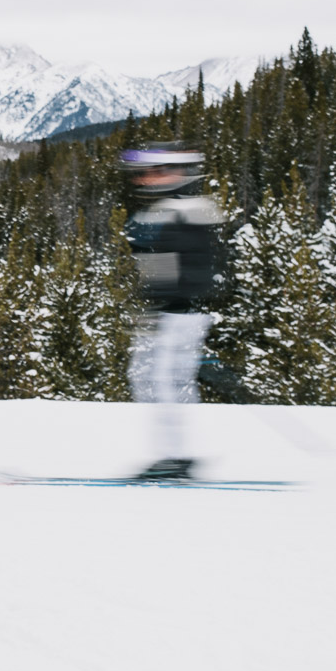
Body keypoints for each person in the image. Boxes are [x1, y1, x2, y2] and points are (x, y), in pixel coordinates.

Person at [118, 143, 227, 481]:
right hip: (172, 312)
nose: (143, 180)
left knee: (163, 380)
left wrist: (175, 305)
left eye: (152, 172)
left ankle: (175, 456)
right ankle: (173, 454)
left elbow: (194, 270)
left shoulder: (186, 211)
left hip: (180, 314)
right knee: (149, 377)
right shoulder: (171, 210)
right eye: (139, 174)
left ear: (177, 173)